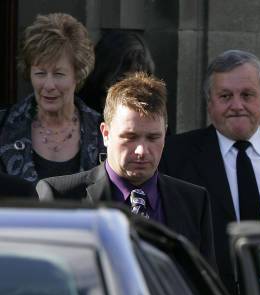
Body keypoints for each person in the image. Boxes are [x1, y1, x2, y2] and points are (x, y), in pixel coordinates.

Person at [159, 49, 260, 295]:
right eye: (225, 96)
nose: (237, 105)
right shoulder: (174, 156)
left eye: (247, 95)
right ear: (209, 103)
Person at [36, 72, 216, 266]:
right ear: (106, 134)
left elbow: (202, 288)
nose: (141, 151)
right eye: (130, 137)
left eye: (153, 137)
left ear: (165, 134)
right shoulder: (60, 197)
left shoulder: (194, 202)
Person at [0, 13, 104, 182]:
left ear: (77, 74)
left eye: (59, 74)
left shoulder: (103, 133)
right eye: (40, 73)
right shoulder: (3, 126)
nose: (48, 85)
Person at [79, 30, 156, 114]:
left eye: (137, 83)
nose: (129, 91)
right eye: (121, 80)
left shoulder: (151, 113)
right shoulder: (82, 116)